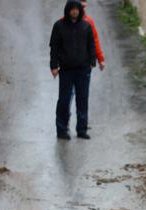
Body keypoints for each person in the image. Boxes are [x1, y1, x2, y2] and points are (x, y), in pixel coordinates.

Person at [50, 0, 96, 140]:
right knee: (64, 100)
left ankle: (81, 130)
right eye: (72, 9)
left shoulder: (86, 26)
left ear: (80, 11)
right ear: (67, 10)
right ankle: (62, 130)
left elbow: (91, 45)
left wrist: (92, 62)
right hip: (66, 70)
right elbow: (54, 48)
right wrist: (53, 66)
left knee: (82, 100)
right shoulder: (59, 26)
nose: (74, 11)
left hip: (83, 70)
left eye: (77, 9)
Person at [81, 1, 105, 71]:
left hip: (84, 64)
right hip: (68, 66)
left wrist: (100, 59)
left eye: (83, 7)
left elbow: (95, 40)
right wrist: (54, 64)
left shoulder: (88, 21)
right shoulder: (63, 23)